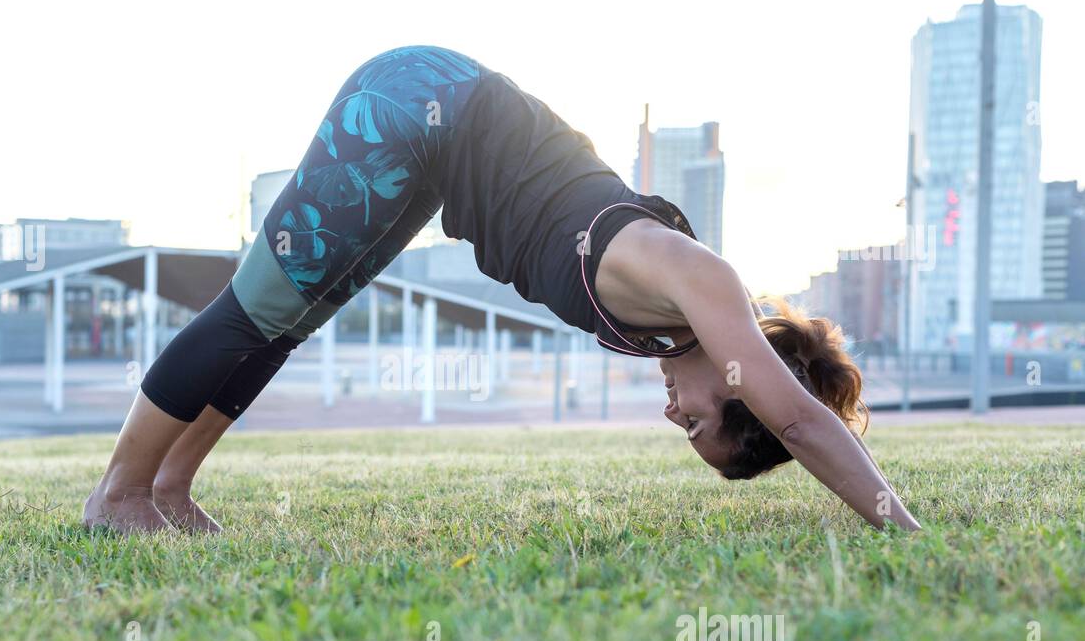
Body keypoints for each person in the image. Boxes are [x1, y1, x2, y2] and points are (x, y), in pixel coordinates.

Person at [84, 46, 920, 534]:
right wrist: (905, 530)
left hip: (434, 159)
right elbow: (804, 420)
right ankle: (118, 492)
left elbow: (790, 411)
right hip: (418, 104)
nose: (673, 415)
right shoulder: (701, 281)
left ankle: (168, 488)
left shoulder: (673, 325)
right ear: (747, 387)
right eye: (696, 419)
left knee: (287, 321)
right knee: (254, 307)